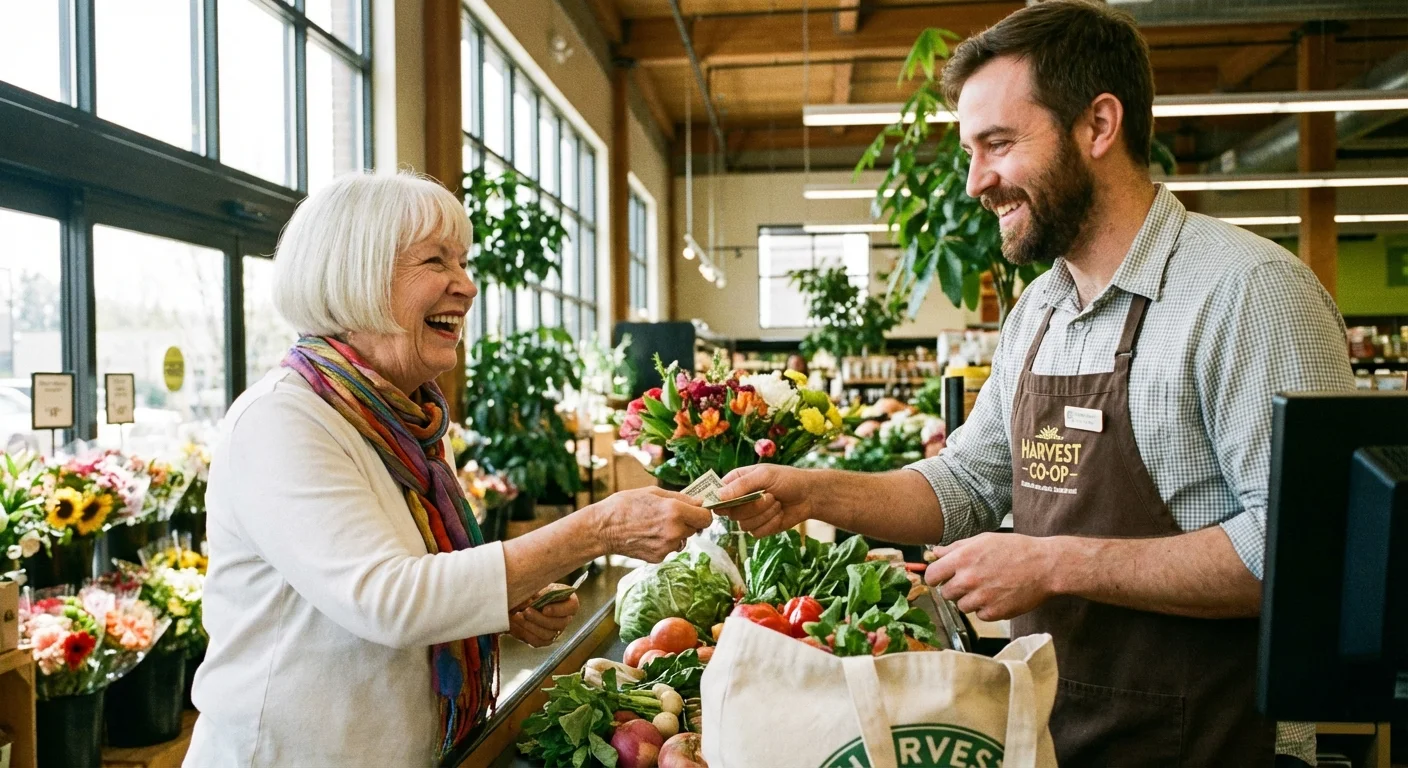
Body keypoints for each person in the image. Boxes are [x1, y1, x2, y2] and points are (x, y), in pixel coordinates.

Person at [714, 2, 1353, 766]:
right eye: (970, 152)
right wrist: (812, 492)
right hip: (1059, 733)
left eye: (1000, 144)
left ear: (1099, 126)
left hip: (1216, 741)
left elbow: (1303, 553)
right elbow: (967, 483)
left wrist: (1051, 562)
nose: (978, 181)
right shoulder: (1040, 310)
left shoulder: (1247, 292)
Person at [185, 172, 713, 767]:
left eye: (463, 262)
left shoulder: (408, 423)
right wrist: (599, 529)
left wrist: (499, 605)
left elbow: (415, 577)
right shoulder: (282, 419)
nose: (466, 285)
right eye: (436, 261)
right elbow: (387, 598)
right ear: (354, 275)